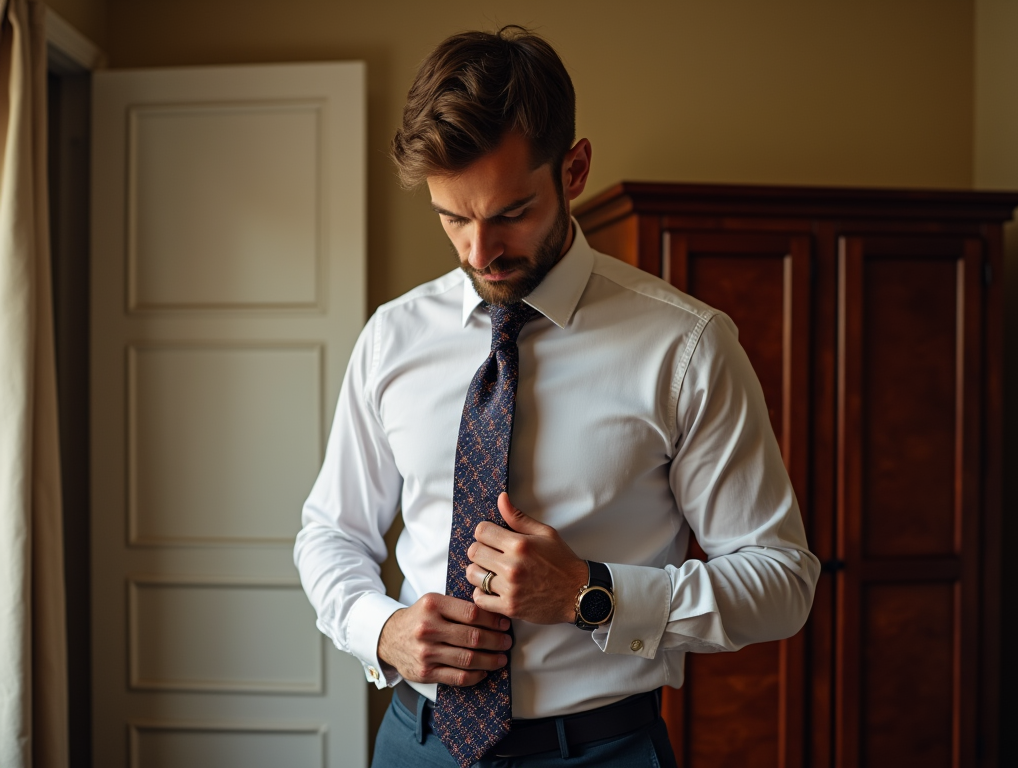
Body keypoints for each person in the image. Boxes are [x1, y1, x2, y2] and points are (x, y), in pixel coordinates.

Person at [294, 25, 819, 768]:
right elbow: (331, 533)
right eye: (452, 218)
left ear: (573, 171)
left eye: (511, 213)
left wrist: (589, 594)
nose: (481, 253)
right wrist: (380, 629)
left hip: (602, 750)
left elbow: (782, 581)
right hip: (417, 743)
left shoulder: (687, 347)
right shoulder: (392, 338)